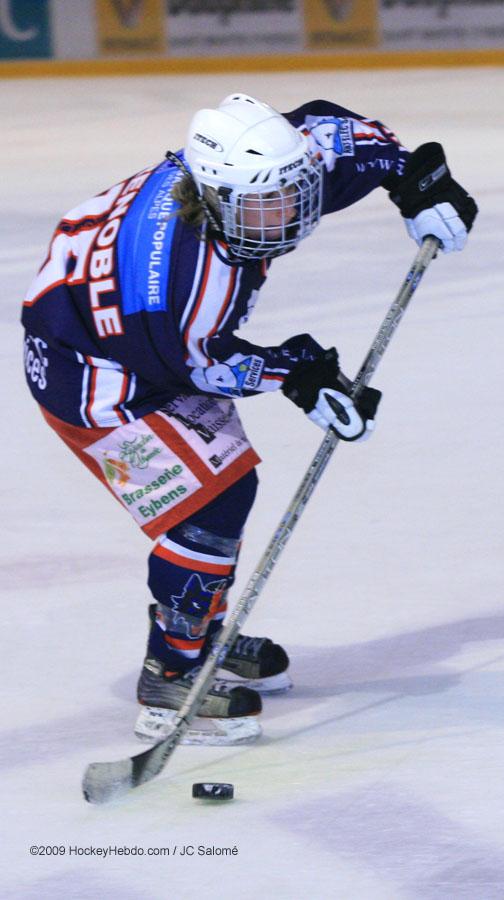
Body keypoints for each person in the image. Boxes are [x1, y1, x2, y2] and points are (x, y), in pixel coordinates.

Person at [22, 93, 477, 744]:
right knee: (208, 505)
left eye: (292, 194)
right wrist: (301, 374)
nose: (287, 215)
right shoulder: (185, 286)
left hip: (123, 326)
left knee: (230, 490)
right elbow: (201, 365)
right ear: (212, 201)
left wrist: (411, 177)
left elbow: (334, 126)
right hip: (94, 373)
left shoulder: (262, 177)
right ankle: (171, 672)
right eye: (264, 207)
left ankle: (203, 629)